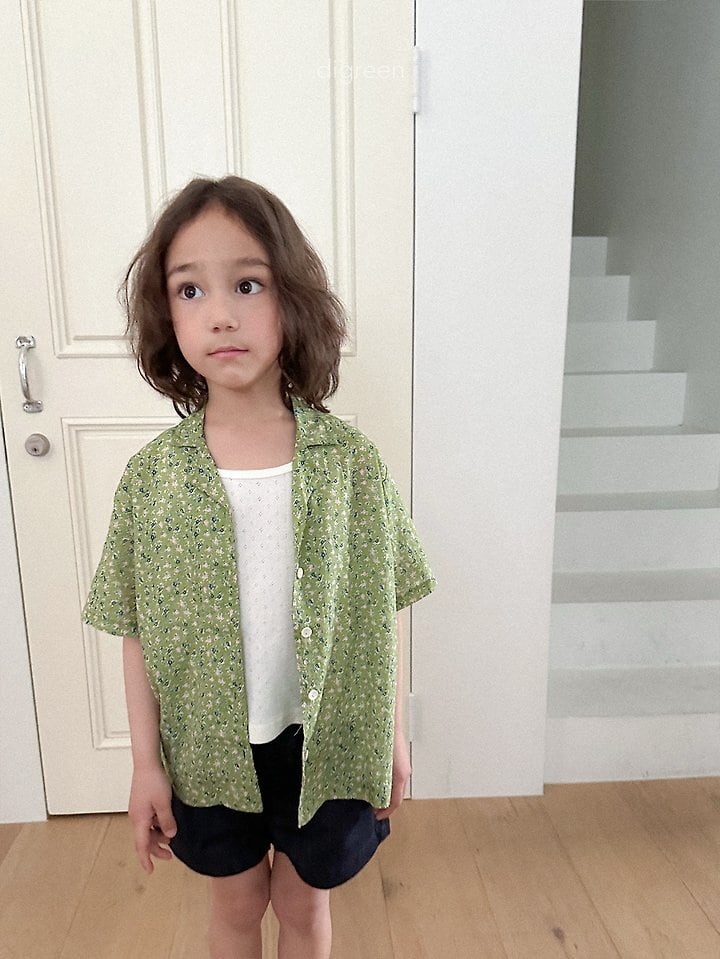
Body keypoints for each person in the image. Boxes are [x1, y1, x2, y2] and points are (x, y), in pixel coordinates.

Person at [83, 175, 435, 959]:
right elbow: (135, 627)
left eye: (247, 284)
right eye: (190, 289)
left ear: (292, 298)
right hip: (209, 749)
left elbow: (381, 609)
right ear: (166, 313)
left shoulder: (351, 464)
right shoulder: (153, 478)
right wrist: (144, 763)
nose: (221, 313)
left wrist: (393, 734)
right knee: (238, 903)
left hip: (327, 740)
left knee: (303, 903)